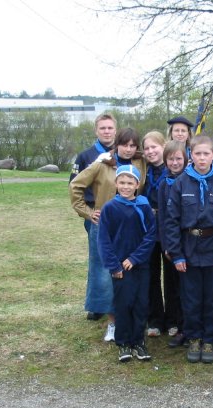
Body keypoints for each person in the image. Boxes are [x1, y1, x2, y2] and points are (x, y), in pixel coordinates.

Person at [70, 127, 147, 343]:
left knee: (130, 271)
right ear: (116, 145)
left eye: (132, 145)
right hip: (105, 225)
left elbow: (160, 154)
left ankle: (132, 318)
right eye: (124, 145)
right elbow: (76, 185)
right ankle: (112, 322)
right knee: (107, 274)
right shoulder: (102, 164)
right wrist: (87, 212)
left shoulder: (141, 162)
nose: (128, 149)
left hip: (132, 225)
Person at [164, 135, 213, 364]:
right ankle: (194, 337)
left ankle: (210, 339)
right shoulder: (181, 183)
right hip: (189, 248)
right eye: (197, 154)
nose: (202, 158)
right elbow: (171, 221)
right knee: (191, 297)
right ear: (191, 155)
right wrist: (176, 254)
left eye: (206, 153)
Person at [97, 164, 157, 362]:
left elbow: (150, 235)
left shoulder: (144, 206)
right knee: (123, 303)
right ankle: (123, 342)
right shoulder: (110, 208)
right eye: (122, 182)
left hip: (140, 265)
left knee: (141, 303)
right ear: (116, 183)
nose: (125, 186)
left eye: (130, 183)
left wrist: (135, 258)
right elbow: (104, 240)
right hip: (120, 267)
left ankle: (138, 341)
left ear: (137, 185)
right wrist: (114, 265)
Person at [69, 112, 117, 321]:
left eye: (110, 128)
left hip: (119, 214)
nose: (106, 131)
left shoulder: (123, 153)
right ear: (96, 131)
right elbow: (74, 185)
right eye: (102, 128)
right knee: (99, 261)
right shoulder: (86, 156)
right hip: (96, 215)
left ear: (115, 130)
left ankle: (116, 304)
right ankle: (98, 305)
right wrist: (88, 213)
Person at [158, 141, 189, 347]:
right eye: (171, 159)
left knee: (187, 286)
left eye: (178, 158)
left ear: (185, 159)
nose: (175, 163)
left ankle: (187, 324)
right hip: (171, 242)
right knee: (172, 285)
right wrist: (166, 245)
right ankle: (174, 321)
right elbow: (163, 217)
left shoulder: (189, 180)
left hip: (188, 241)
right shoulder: (164, 184)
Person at [142, 131, 168, 337]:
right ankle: (155, 319)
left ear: (164, 146)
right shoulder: (142, 170)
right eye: (147, 148)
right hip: (148, 228)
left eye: (154, 147)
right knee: (151, 275)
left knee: (172, 276)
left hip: (168, 227)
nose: (151, 151)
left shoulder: (174, 167)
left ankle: (174, 318)